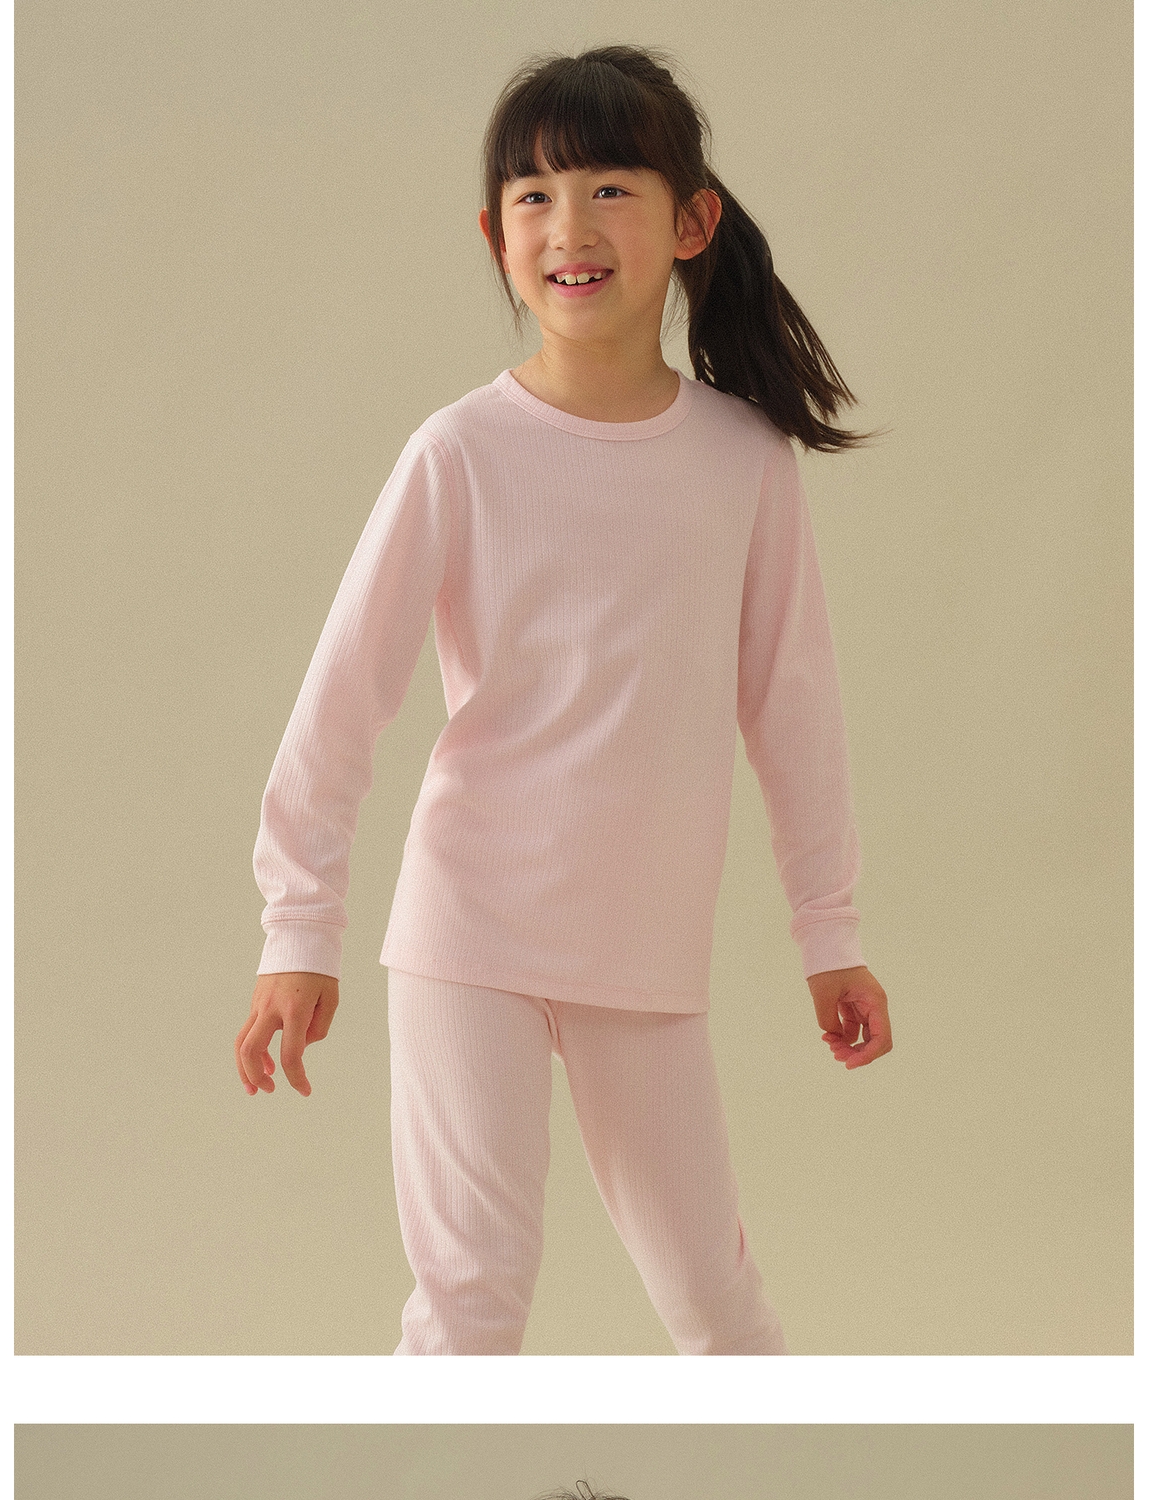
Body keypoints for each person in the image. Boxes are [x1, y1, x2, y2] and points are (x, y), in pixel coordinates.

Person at [235, 42, 893, 1356]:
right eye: (533, 196)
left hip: (644, 952)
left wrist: (830, 932)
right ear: (495, 234)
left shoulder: (745, 463)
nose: (569, 227)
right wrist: (297, 930)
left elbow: (794, 711)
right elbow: (341, 702)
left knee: (718, 1309)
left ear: (691, 223)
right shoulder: (458, 453)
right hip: (466, 931)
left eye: (609, 190)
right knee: (468, 1303)